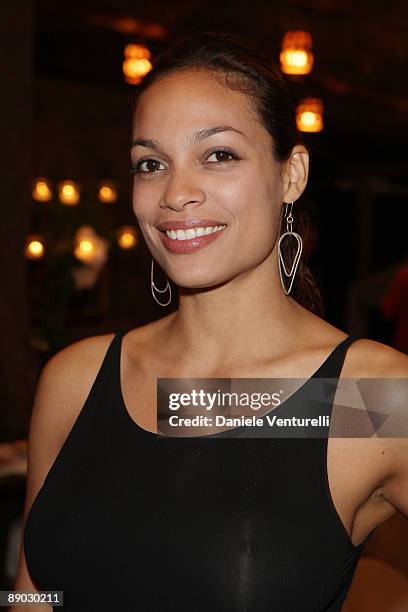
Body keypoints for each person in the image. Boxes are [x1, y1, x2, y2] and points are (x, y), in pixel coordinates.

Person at [14, 32, 408, 611]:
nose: (176, 193)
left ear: (291, 174)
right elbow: (32, 591)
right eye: (151, 164)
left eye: (218, 155)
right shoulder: (77, 378)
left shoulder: (367, 397)